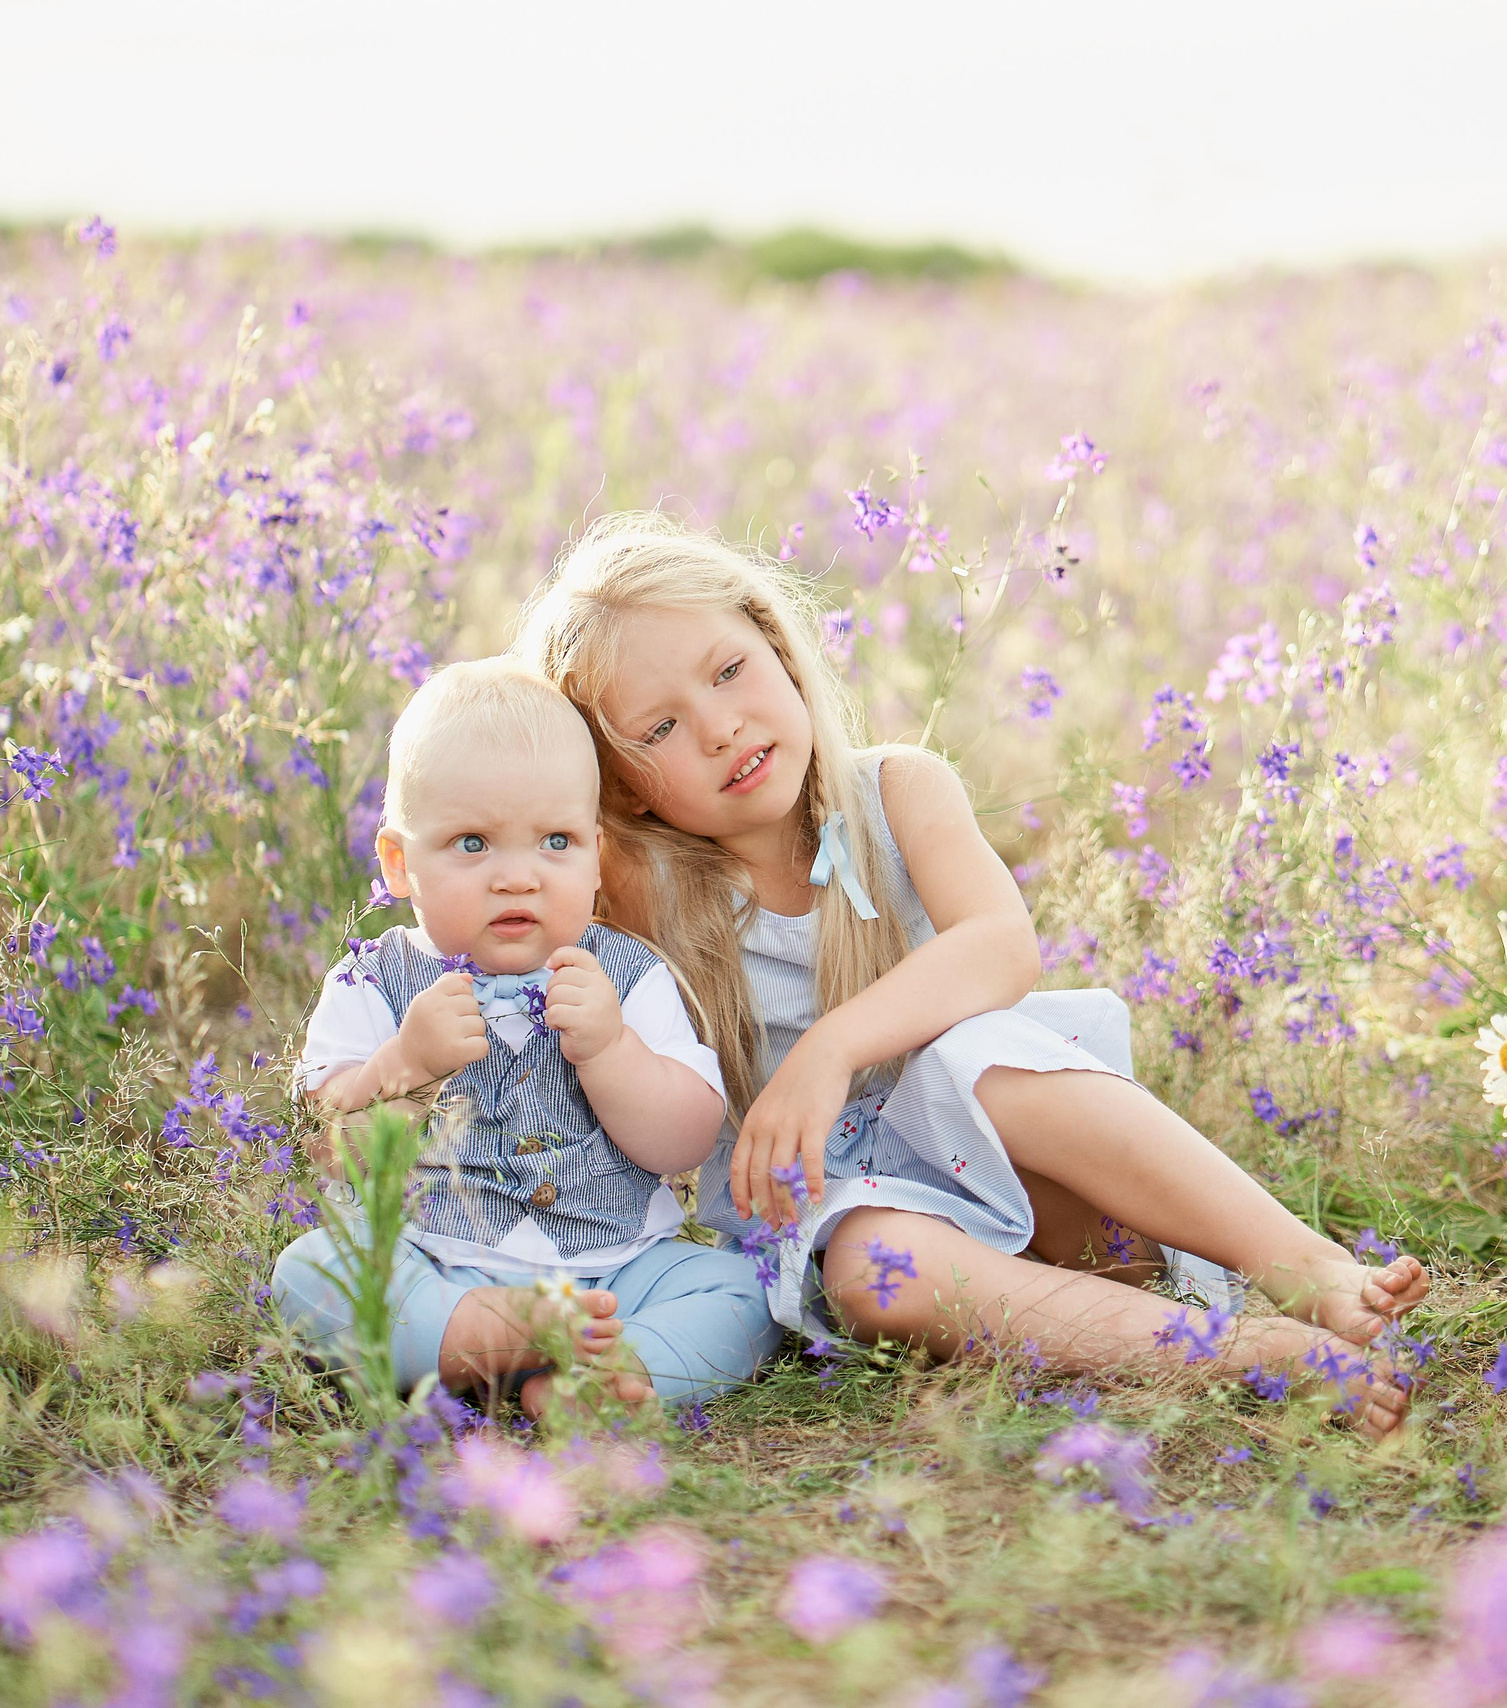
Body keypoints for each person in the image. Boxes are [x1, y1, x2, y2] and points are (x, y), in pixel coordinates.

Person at [516, 513, 1429, 1436]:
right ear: (621, 786)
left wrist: (830, 1050)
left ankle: (1308, 1269)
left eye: (728, 671)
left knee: (979, 1059)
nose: (720, 727)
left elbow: (1002, 945)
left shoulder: (896, 793)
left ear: (781, 654)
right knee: (867, 1269)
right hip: (919, 1252)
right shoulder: (643, 893)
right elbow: (496, 835)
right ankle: (1246, 1353)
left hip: (1083, 1223)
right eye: (661, 727)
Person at [270, 657, 779, 1417]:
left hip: (619, 1271)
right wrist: (405, 1065)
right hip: (434, 1263)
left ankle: (612, 1375)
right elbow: (326, 1147)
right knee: (309, 1275)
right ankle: (496, 1333)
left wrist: (612, 1052)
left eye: (555, 841)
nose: (518, 877)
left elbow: (683, 1142)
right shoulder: (371, 981)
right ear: (400, 864)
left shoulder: (627, 974)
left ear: (598, 857)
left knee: (744, 1290)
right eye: (473, 843)